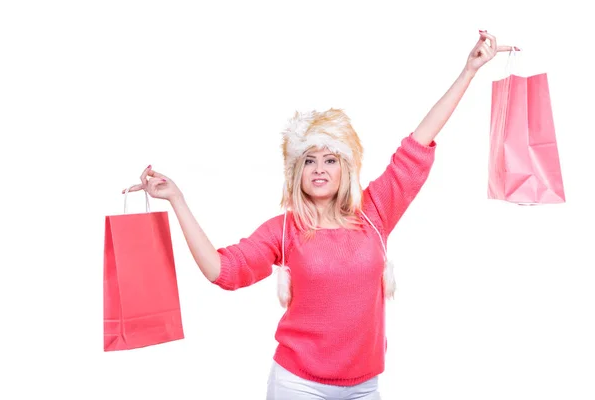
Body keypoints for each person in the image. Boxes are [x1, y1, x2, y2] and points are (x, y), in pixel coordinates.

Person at [124, 31, 516, 400]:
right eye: (309, 160)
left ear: (346, 167)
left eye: (330, 159)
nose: (320, 168)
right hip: (298, 385)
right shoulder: (285, 230)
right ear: (297, 171)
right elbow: (222, 271)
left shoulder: (375, 212)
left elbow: (419, 142)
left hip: (364, 385)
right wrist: (177, 199)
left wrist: (469, 70)